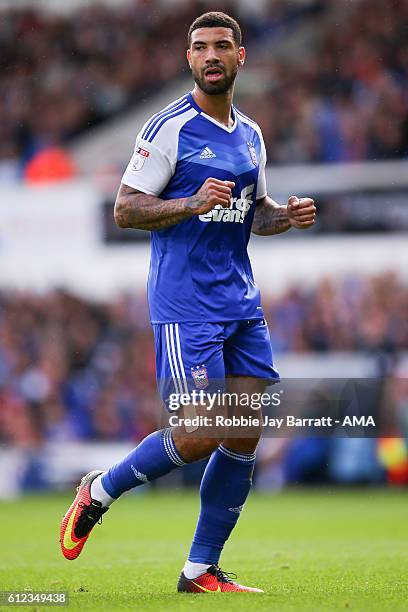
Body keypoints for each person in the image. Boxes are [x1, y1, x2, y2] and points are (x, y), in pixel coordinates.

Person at [60, 11, 316, 593]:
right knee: (200, 432)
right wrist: (191, 202)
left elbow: (254, 215)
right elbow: (125, 209)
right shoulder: (167, 128)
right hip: (186, 303)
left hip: (241, 301)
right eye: (200, 48)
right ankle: (99, 489)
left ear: (240, 56)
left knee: (245, 429)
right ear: (188, 59)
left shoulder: (250, 134)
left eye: (222, 46)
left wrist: (287, 217)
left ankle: (199, 569)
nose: (211, 56)